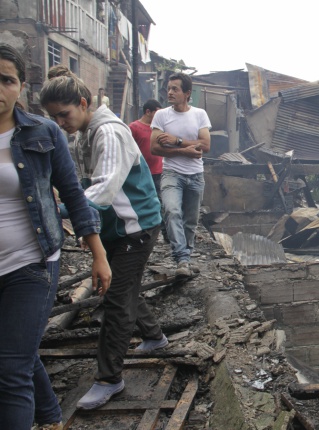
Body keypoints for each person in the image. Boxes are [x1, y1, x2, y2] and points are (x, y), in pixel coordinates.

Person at [40, 69, 169, 411]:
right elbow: (86, 181)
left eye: (63, 114)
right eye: (53, 117)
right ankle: (155, 337)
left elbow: (103, 187)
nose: (60, 122)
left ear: (83, 104)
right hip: (118, 227)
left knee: (116, 301)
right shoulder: (86, 131)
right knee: (123, 289)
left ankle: (110, 378)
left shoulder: (108, 132)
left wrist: (67, 211)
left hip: (135, 227)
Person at [0, 44, 111, 430]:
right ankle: (49, 418)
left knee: (9, 370)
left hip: (32, 261)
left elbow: (75, 195)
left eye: (7, 79)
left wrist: (98, 253)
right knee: (20, 351)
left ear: (20, 86)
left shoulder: (42, 132)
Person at [150, 72, 211, 278]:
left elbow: (206, 145)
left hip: (195, 175)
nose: (170, 92)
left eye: (175, 89)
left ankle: (186, 256)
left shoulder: (199, 114)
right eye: (169, 88)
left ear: (187, 93)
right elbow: (154, 148)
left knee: (191, 220)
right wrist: (184, 151)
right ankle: (182, 259)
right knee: (172, 210)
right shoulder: (161, 115)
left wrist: (177, 141)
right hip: (171, 173)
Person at [129, 99, 167, 241]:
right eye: (156, 113)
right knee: (144, 202)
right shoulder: (134, 127)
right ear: (148, 112)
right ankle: (144, 231)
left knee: (161, 203)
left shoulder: (158, 129)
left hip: (158, 171)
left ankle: (165, 233)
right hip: (141, 173)